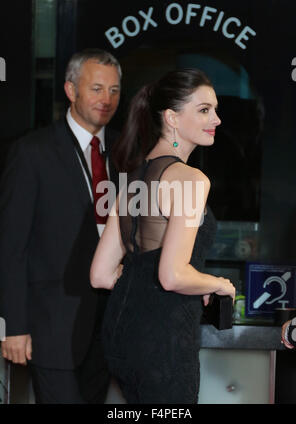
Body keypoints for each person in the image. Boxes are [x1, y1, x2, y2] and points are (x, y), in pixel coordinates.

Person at [90, 68, 236, 404]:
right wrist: (215, 283)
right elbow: (172, 275)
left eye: (214, 109)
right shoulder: (190, 179)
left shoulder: (133, 178)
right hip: (163, 338)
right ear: (171, 117)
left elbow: (100, 275)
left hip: (120, 336)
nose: (216, 118)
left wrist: (181, 282)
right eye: (203, 110)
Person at [0, 48, 121, 403]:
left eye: (114, 90)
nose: (107, 99)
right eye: (97, 88)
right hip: (50, 325)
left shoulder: (123, 150)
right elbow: (11, 246)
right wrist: (12, 327)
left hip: (106, 326)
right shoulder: (32, 152)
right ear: (71, 90)